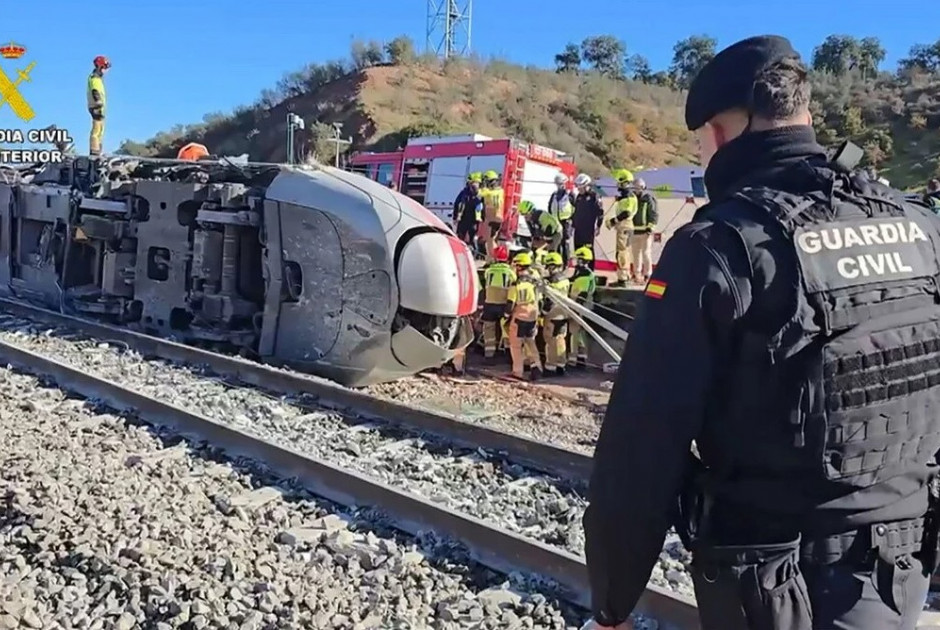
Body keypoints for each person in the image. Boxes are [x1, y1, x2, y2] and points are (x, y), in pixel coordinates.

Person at [583, 35, 940, 630]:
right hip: (902, 567)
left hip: (778, 584)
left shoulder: (716, 247)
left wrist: (611, 602)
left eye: (701, 144)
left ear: (723, 133)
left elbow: (641, 448)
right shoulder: (919, 229)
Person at [505, 251, 542, 380]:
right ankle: (537, 367)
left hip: (519, 317)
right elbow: (540, 300)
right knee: (531, 342)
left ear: (520, 267)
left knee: (516, 345)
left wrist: (505, 315)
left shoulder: (516, 285)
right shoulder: (534, 283)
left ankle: (517, 372)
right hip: (532, 316)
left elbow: (510, 303)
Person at [480, 245, 515, 361]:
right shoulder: (510, 272)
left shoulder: (489, 271)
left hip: (489, 304)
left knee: (489, 329)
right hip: (503, 304)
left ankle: (489, 354)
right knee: (506, 329)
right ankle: (509, 355)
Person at [605, 169, 637, 287]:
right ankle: (624, 277)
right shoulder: (626, 196)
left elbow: (626, 213)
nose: (617, 184)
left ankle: (623, 279)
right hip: (625, 226)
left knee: (622, 252)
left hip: (624, 226)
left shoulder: (628, 196)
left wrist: (613, 221)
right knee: (624, 252)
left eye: (619, 182)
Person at [541, 251, 570, 376]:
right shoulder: (565, 280)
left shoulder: (552, 282)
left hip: (552, 315)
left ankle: (550, 367)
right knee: (560, 340)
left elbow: (550, 301)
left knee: (550, 341)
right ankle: (561, 365)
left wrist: (543, 312)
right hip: (563, 314)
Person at [567, 246, 596, 369]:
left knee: (574, 333)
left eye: (578, 259)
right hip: (582, 307)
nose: (576, 262)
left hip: (580, 307)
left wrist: (575, 309)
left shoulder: (585, 276)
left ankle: (574, 360)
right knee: (579, 333)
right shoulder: (583, 274)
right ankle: (581, 357)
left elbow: (582, 295)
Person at [571, 173, 604, 270]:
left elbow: (600, 212)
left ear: (586, 186)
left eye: (580, 187)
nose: (579, 190)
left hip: (588, 229)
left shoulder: (595, 196)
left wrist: (598, 226)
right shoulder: (579, 197)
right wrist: (573, 224)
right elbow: (576, 211)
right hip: (578, 229)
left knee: (588, 250)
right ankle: (579, 270)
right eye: (578, 187)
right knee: (578, 250)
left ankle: (590, 270)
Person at [629, 177, 658, 284]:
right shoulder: (632, 199)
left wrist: (650, 227)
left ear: (643, 187)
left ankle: (648, 274)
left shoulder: (648, 199)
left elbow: (654, 214)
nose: (636, 190)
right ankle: (637, 275)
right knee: (635, 254)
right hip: (634, 231)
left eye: (638, 187)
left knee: (646, 253)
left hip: (646, 232)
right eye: (635, 187)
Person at [547, 174, 575, 264]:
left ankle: (566, 263)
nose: (559, 185)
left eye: (561, 183)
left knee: (565, 243)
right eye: (557, 184)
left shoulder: (570, 195)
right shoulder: (554, 195)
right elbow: (550, 207)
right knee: (557, 242)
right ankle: (558, 262)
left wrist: (571, 219)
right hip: (556, 222)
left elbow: (575, 208)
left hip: (566, 222)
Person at [453, 172, 484, 251]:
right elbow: (457, 203)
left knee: (472, 238)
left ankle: (473, 253)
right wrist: (455, 216)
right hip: (464, 219)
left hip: (473, 220)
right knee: (460, 237)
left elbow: (483, 207)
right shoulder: (464, 193)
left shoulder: (481, 194)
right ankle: (459, 250)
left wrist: (483, 217)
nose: (474, 186)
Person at [87, 55, 111, 156]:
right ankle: (94, 150)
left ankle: (98, 150)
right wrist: (98, 102)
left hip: (100, 108)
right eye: (105, 68)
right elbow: (95, 90)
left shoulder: (98, 79)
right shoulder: (94, 78)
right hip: (96, 106)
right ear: (100, 67)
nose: (106, 71)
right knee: (96, 129)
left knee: (101, 129)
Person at [479, 170, 505, 262]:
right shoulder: (500, 191)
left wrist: (482, 186)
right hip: (494, 219)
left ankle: (493, 259)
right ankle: (493, 258)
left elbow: (480, 193)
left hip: (493, 219)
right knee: (490, 240)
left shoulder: (492, 192)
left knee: (490, 241)